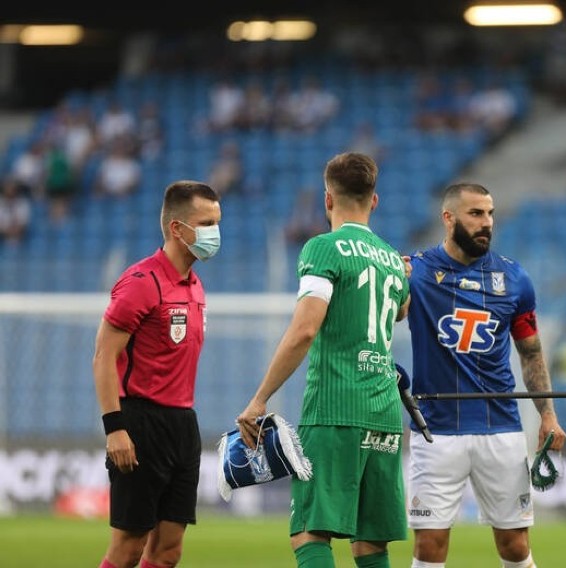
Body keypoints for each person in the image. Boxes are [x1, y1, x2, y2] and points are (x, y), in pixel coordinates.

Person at [236, 152, 411, 568]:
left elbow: (304, 329)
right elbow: (402, 307)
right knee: (370, 542)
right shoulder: (391, 258)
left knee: (309, 531)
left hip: (336, 406)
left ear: (327, 199)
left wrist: (260, 399)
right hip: (384, 412)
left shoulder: (324, 248)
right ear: (375, 200)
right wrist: (402, 274)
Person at [404, 182, 566, 568]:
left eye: (490, 214)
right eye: (476, 214)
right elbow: (389, 312)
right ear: (448, 218)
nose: (487, 223)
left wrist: (547, 414)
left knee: (514, 546)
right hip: (435, 431)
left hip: (500, 428)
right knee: (429, 546)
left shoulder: (514, 279)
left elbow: (531, 354)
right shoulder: (415, 272)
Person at [92, 180, 222, 568]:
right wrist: (115, 427)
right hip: (140, 421)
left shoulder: (195, 285)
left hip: (183, 424)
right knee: (130, 546)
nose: (215, 233)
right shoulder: (140, 282)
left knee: (168, 551)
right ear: (176, 228)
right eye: (206, 223)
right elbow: (103, 356)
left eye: (217, 222)